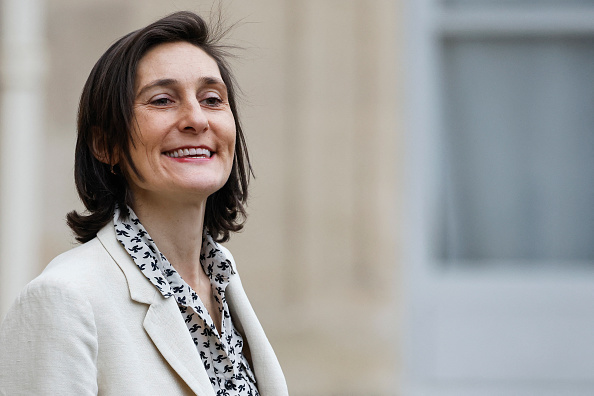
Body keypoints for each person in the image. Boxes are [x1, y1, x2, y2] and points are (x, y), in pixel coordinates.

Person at [0, 11, 288, 396]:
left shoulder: (222, 278)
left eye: (212, 99)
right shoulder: (65, 299)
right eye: (163, 100)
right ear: (105, 144)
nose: (196, 119)